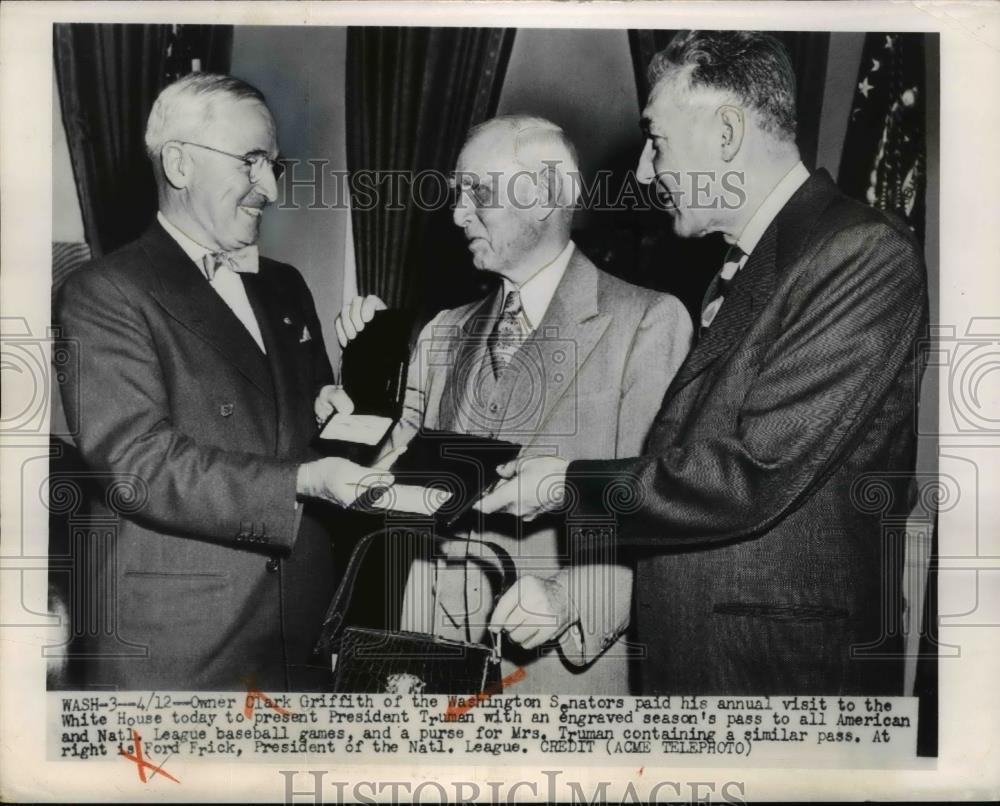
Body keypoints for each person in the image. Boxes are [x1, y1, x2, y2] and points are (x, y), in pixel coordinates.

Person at [478, 31, 929, 695]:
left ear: (725, 132)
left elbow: (752, 471)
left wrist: (564, 482)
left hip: (782, 674)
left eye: (656, 140)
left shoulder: (860, 253)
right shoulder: (746, 267)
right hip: (708, 660)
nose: (642, 172)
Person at [55, 73, 392, 691]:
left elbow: (305, 431)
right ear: (180, 164)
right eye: (252, 162)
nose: (269, 186)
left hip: (300, 632)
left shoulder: (284, 286)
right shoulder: (104, 293)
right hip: (180, 645)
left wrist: (363, 380)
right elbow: (138, 464)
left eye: (274, 165)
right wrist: (303, 479)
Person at [336, 116, 692, 693]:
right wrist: (363, 392)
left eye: (478, 192)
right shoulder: (442, 332)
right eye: (457, 195)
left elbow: (661, 515)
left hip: (561, 675)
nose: (456, 215)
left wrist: (566, 598)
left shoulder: (647, 324)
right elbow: (390, 488)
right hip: (430, 667)